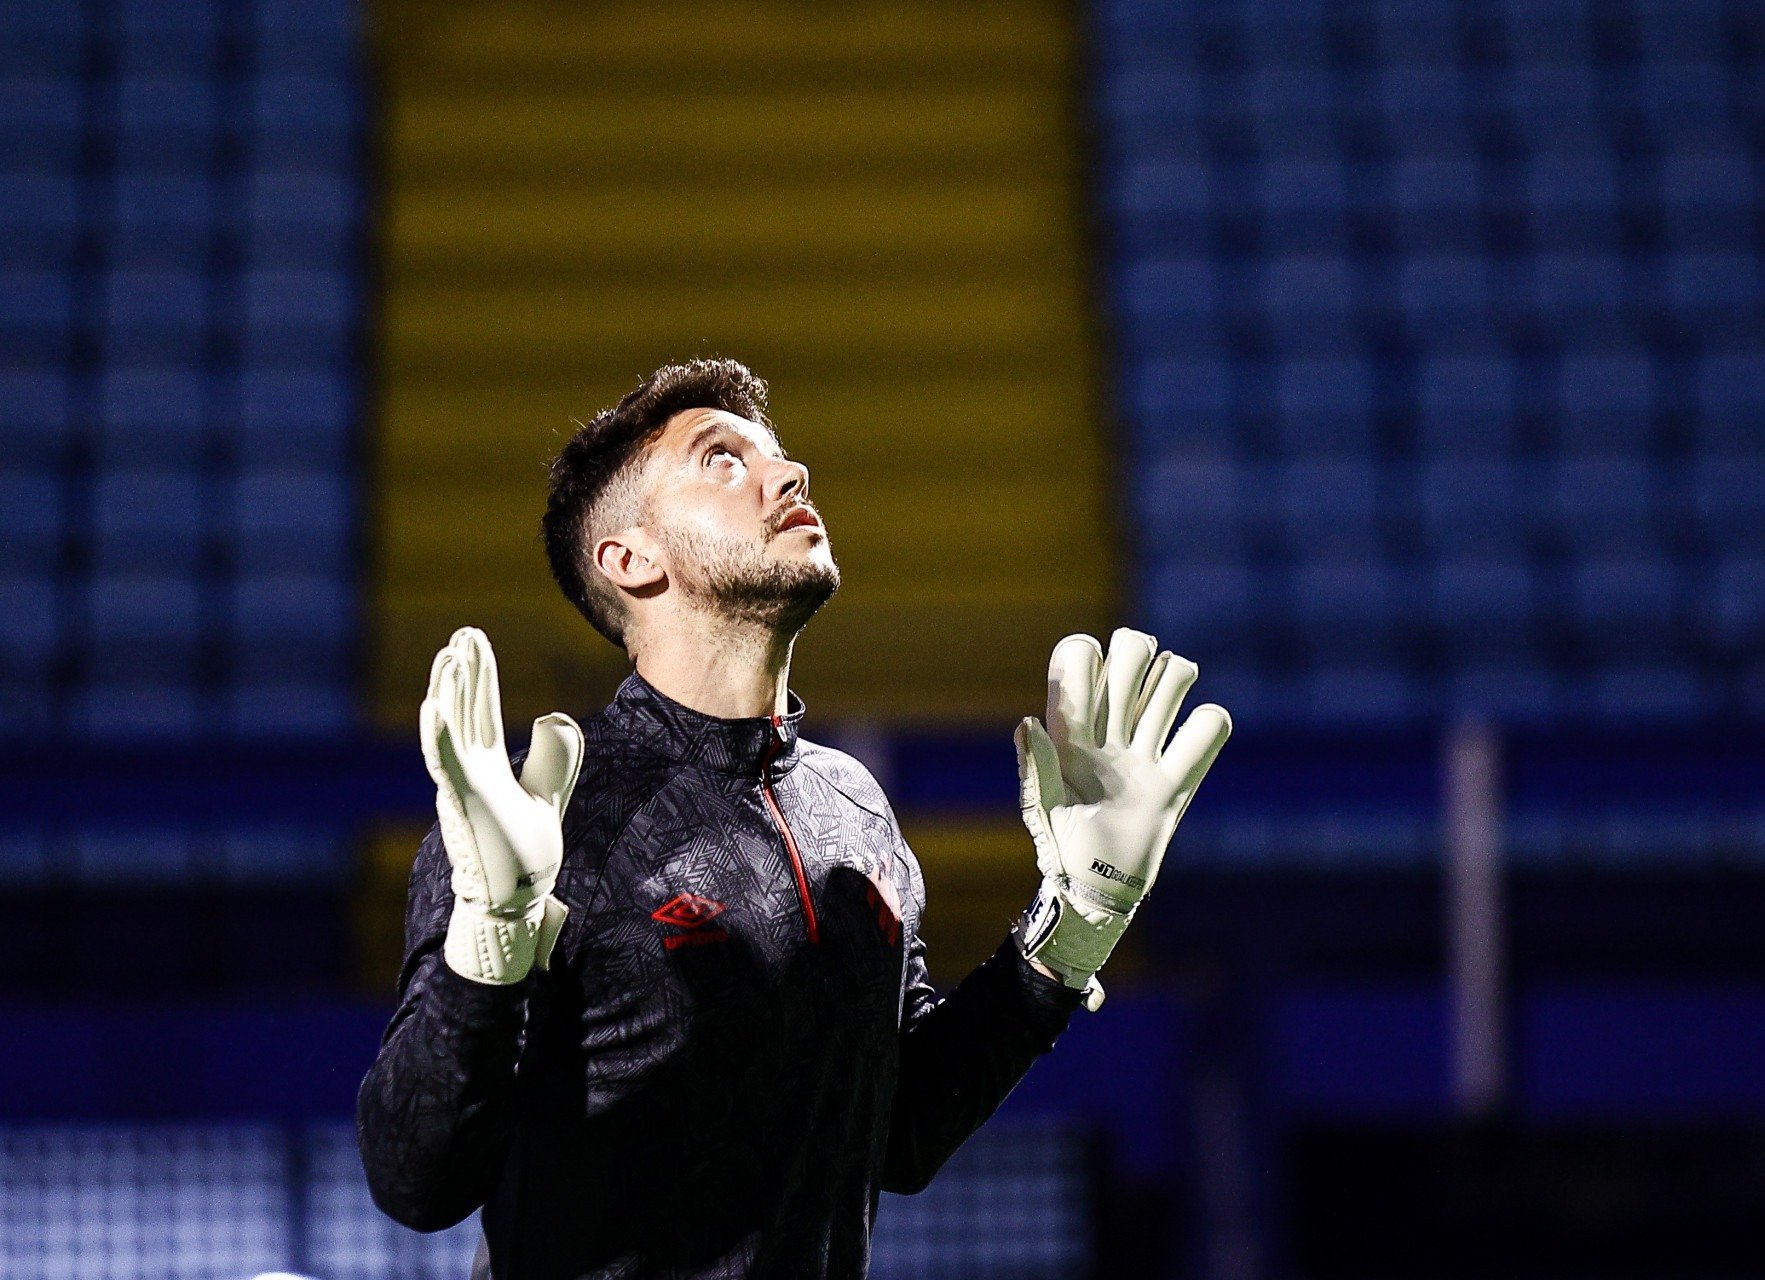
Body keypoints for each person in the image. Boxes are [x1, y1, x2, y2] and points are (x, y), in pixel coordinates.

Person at [356, 357, 1231, 1279]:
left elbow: (902, 1133)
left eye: (777, 455)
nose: (788, 474)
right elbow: (417, 1180)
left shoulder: (851, 806)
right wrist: (486, 947)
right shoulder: (538, 818)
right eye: (721, 460)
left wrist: (1071, 937)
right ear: (631, 559)